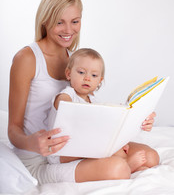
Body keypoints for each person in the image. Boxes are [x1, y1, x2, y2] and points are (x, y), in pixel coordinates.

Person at [8, 0, 159, 185]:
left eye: (75, 21)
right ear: (45, 20)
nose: (68, 30)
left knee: (151, 157)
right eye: (59, 22)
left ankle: (110, 160)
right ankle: (118, 165)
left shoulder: (76, 61)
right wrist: (32, 143)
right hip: (40, 161)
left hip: (78, 147)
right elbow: (13, 130)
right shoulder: (27, 58)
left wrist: (137, 120)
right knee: (118, 167)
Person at [47, 48, 152, 182]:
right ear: (68, 74)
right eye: (81, 72)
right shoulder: (67, 95)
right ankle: (128, 166)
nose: (87, 78)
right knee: (112, 149)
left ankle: (124, 161)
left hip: (85, 146)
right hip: (63, 152)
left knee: (139, 152)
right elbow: (64, 104)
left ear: (100, 81)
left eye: (94, 76)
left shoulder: (95, 101)